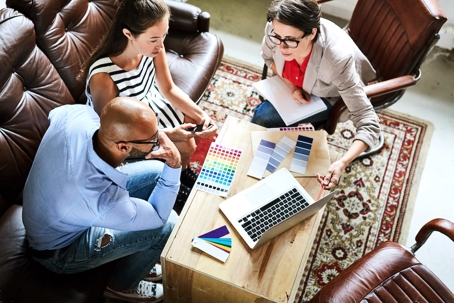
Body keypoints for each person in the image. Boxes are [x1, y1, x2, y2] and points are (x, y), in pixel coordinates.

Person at [22, 97, 181, 302]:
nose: (159, 141)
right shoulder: (99, 199)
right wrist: (175, 163)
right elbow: (159, 217)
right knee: (168, 226)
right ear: (123, 147)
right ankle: (121, 285)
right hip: (57, 252)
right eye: (153, 139)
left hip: (57, 210)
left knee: (158, 170)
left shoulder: (79, 115)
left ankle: (137, 257)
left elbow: (55, 115)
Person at [79, 0, 217, 200]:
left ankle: (180, 176)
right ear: (128, 34)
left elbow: (168, 89)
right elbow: (110, 135)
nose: (161, 46)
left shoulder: (153, 49)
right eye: (153, 39)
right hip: (127, 129)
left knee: (189, 145)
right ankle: (175, 187)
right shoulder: (104, 79)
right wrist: (169, 134)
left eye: (164, 36)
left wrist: (203, 116)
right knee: (183, 144)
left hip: (150, 104)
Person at [251, 0, 381, 190]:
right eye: (277, 37)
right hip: (298, 86)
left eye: (290, 40)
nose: (282, 47)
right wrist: (292, 85)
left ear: (312, 33)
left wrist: (341, 163)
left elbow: (369, 122)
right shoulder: (276, 29)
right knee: (262, 120)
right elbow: (268, 57)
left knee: (263, 118)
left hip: (327, 94)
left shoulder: (336, 61)